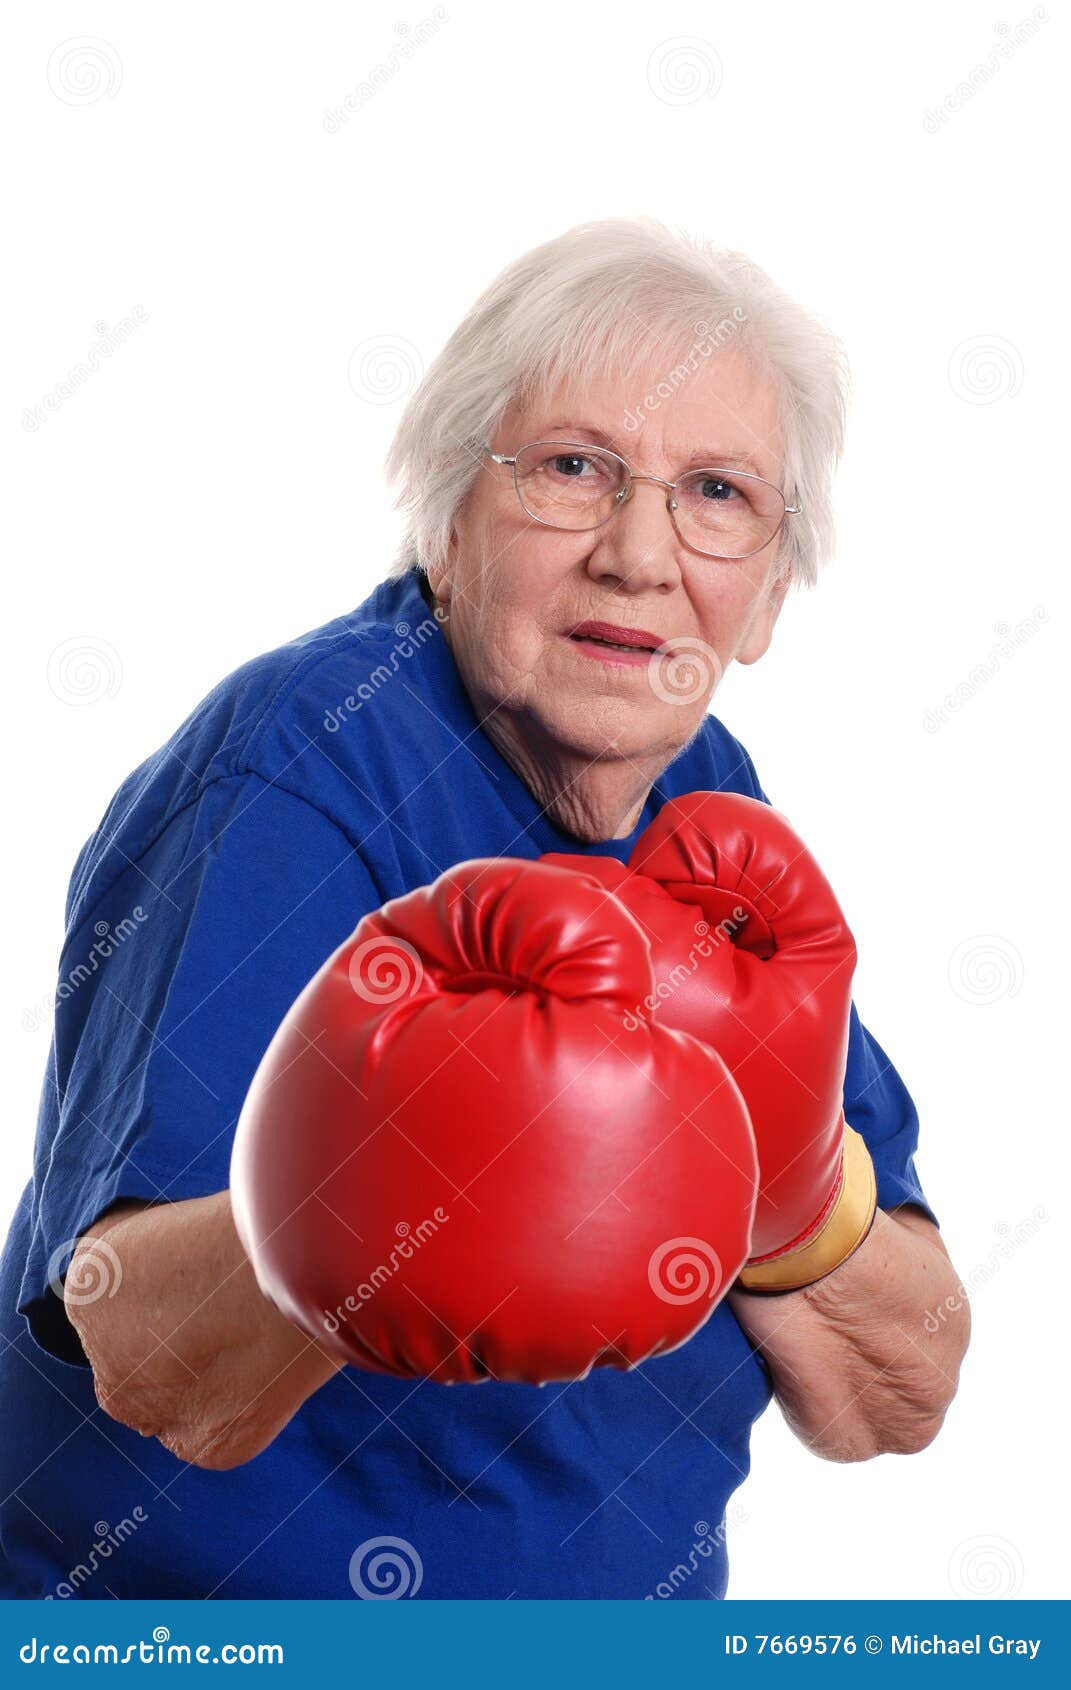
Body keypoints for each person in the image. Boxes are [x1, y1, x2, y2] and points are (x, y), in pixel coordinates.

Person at [0, 217, 969, 1600]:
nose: (640, 554)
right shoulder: (300, 762)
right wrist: (368, 1194)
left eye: (715, 493)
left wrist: (795, 1189)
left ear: (768, 595)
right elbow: (140, 1355)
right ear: (449, 519)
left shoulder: (711, 814)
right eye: (574, 469)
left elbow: (902, 1387)